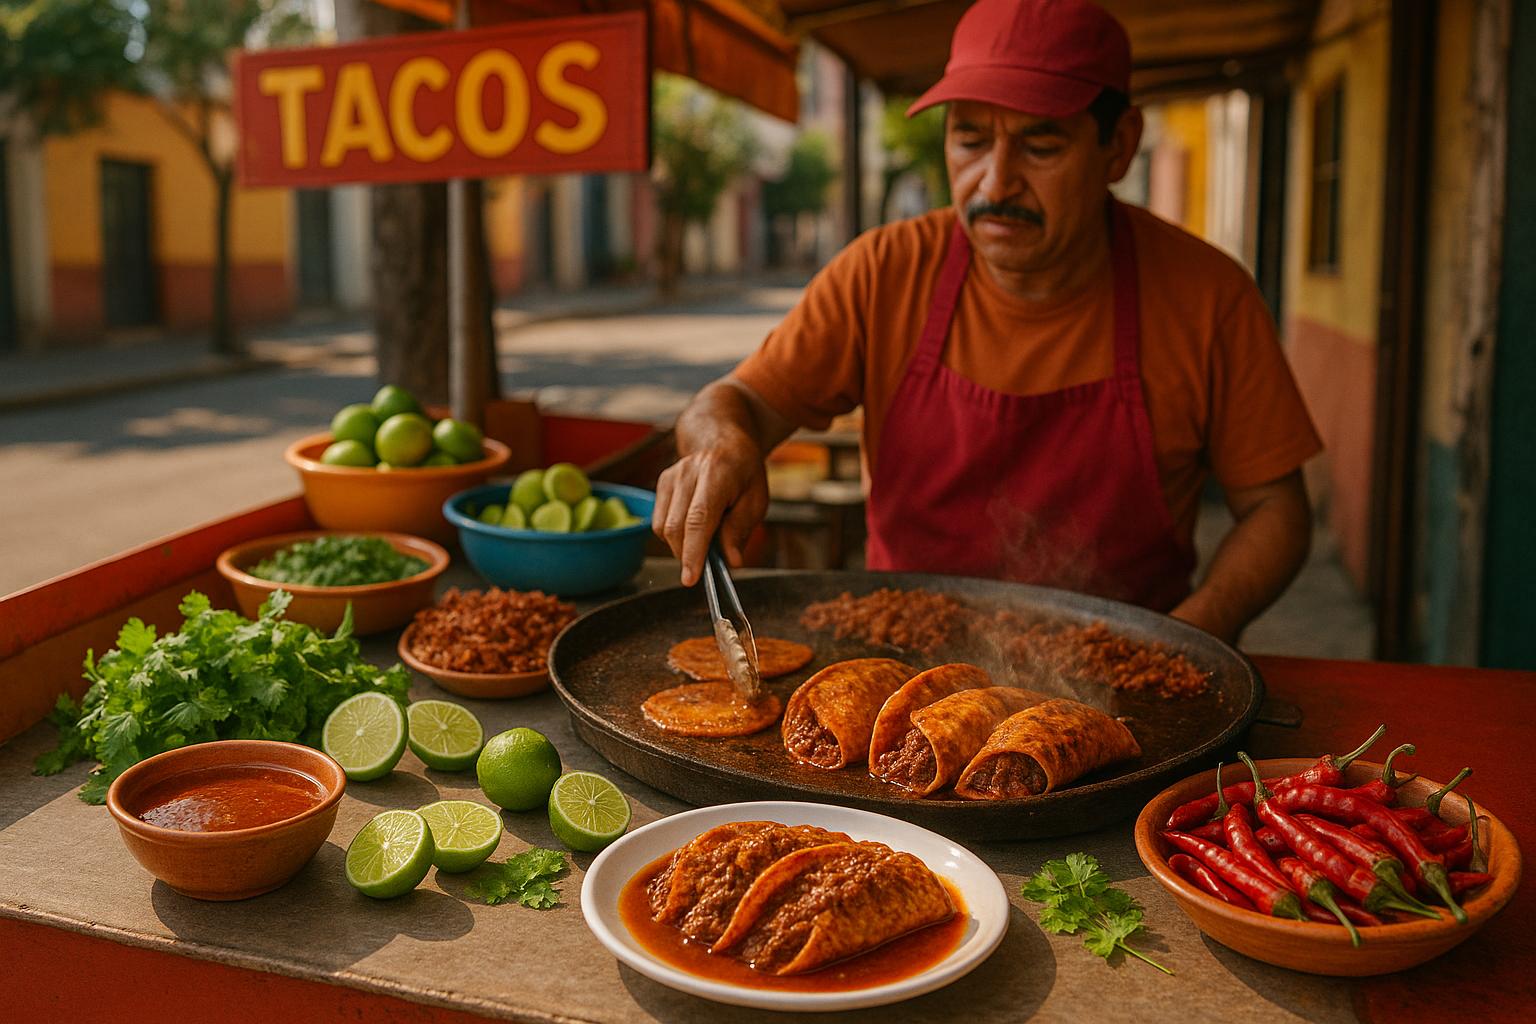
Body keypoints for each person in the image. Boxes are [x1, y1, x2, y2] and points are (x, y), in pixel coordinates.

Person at [652, 0, 1322, 644]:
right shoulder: (882, 272)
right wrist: (721, 443)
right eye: (970, 140)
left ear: (1118, 146)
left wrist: (1198, 631)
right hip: (900, 671)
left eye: (1041, 145)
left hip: (1119, 678)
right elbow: (732, 401)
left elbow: (1276, 512)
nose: (995, 184)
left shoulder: (1208, 295)